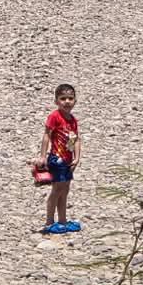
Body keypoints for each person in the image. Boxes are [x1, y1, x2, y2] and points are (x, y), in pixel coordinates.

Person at [34, 84, 82, 235]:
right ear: (56, 101)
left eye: (70, 98)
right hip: (57, 158)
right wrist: (43, 156)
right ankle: (49, 221)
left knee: (65, 190)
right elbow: (47, 135)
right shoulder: (55, 116)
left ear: (75, 101)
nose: (67, 102)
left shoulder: (72, 120)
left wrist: (77, 157)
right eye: (63, 99)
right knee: (57, 190)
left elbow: (75, 139)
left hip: (67, 160)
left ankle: (62, 220)